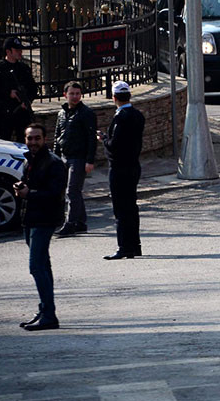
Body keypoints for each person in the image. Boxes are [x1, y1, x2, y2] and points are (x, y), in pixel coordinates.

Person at [15, 123, 67, 331]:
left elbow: (54, 194)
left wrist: (30, 194)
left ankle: (49, 315)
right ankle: (45, 310)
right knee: (43, 265)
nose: (33, 142)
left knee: (36, 266)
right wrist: (21, 188)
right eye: (30, 138)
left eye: (37, 138)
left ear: (45, 139)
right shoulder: (30, 159)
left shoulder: (53, 163)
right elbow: (29, 184)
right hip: (30, 218)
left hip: (44, 220)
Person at [98, 81, 144, 260]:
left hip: (119, 168)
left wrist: (104, 139)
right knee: (131, 207)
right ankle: (135, 245)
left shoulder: (120, 118)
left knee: (121, 209)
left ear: (114, 98)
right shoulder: (138, 115)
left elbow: (114, 145)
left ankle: (124, 246)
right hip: (134, 165)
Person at [54, 81, 97, 237]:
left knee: (72, 191)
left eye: (77, 94)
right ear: (65, 95)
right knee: (75, 191)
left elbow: (91, 138)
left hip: (79, 158)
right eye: (72, 94)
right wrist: (55, 157)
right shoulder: (62, 113)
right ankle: (80, 222)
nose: (75, 97)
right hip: (64, 156)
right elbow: (57, 136)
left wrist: (90, 160)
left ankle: (70, 223)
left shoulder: (86, 113)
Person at [0, 37, 38, 142]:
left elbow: (33, 89)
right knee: (4, 141)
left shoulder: (24, 68)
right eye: (17, 50)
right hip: (5, 112)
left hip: (22, 113)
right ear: (8, 51)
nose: (20, 52)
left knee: (24, 141)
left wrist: (27, 101)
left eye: (20, 50)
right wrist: (8, 93)